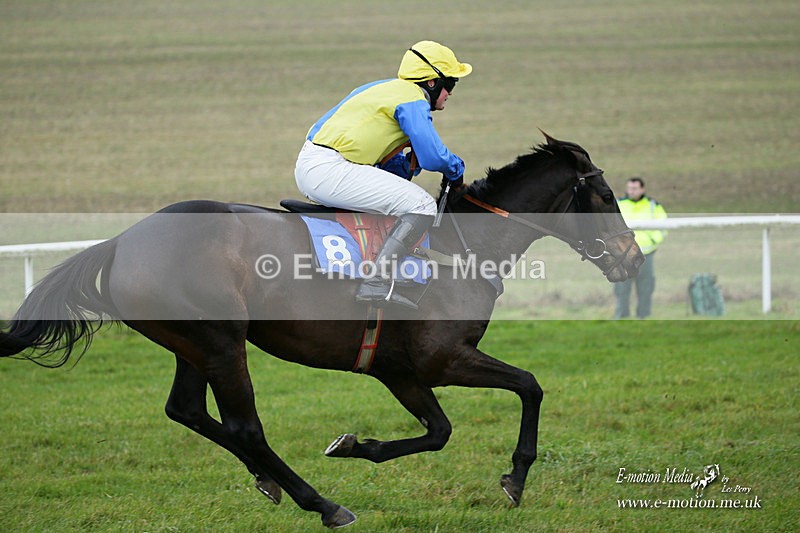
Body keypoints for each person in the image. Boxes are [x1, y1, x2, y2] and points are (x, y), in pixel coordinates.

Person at [295, 40, 471, 308]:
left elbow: (387, 169)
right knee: (422, 205)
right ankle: (376, 282)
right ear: (432, 82)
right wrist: (456, 169)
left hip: (317, 163)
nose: (450, 93)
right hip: (329, 168)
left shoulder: (381, 88)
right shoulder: (413, 99)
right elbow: (433, 156)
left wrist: (407, 164)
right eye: (451, 84)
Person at [613, 177, 668, 319]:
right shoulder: (618, 204)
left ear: (642, 189)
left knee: (645, 286)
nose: (631, 191)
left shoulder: (653, 206)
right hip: (623, 255)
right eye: (630, 188)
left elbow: (663, 227)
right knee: (621, 287)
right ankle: (621, 316)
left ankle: (644, 316)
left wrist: (652, 240)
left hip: (645, 253)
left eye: (635, 188)